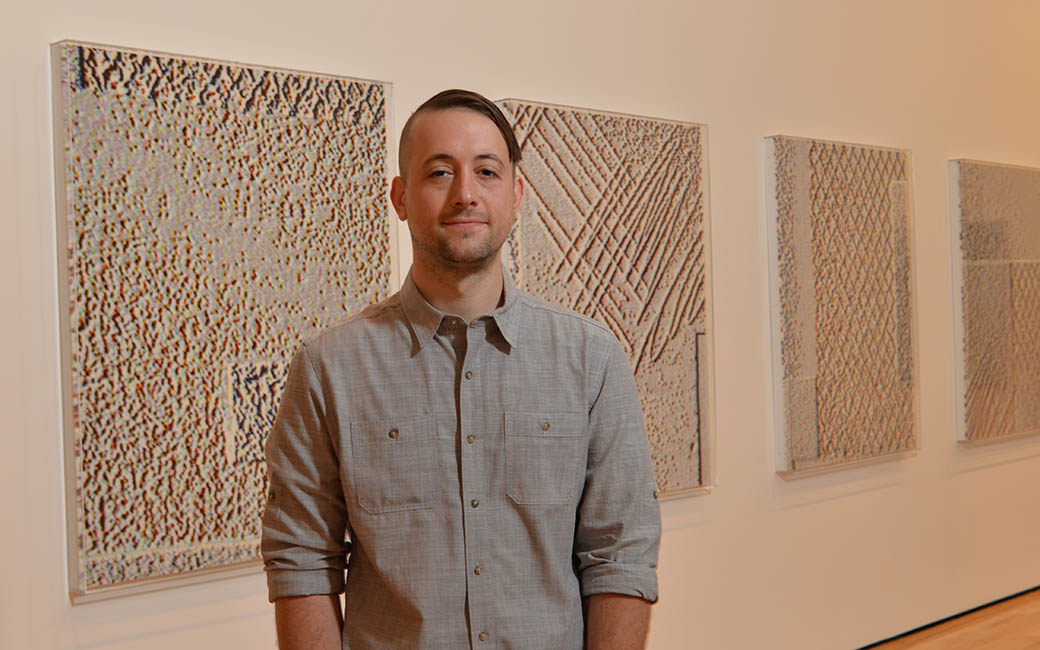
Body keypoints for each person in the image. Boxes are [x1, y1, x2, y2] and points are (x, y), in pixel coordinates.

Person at [261, 89, 661, 650]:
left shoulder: (592, 360)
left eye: (487, 172)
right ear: (400, 197)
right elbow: (301, 557)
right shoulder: (328, 368)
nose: (465, 194)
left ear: (516, 194)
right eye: (440, 172)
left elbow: (619, 554)